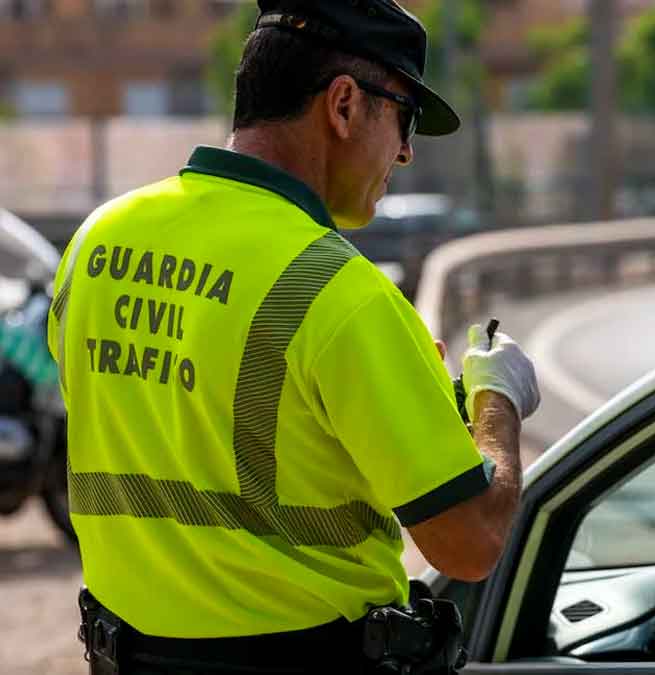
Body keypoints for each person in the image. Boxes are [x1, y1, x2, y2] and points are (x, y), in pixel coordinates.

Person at [47, 2, 540, 673]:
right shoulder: (338, 292)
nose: (404, 149)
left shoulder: (97, 240)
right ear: (343, 105)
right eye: (405, 116)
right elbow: (471, 541)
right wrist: (497, 401)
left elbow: (182, 411)